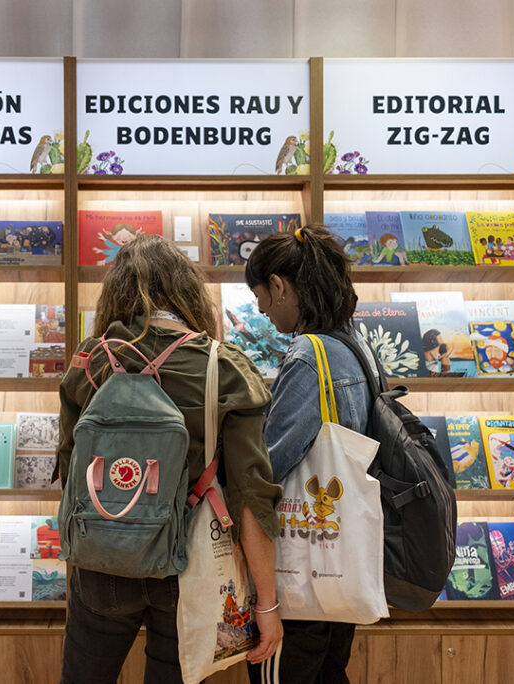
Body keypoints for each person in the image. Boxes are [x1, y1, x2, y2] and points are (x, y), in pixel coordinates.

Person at [58, 234, 283, 683]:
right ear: (187, 290)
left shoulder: (91, 361)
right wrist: (267, 604)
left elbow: (70, 471)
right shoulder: (224, 366)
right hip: (189, 565)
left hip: (100, 561)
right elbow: (251, 496)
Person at [244, 225, 377, 684]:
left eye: (260, 296)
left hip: (297, 572)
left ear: (278, 286)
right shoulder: (354, 345)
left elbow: (268, 469)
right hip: (340, 561)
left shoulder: (308, 354)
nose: (261, 310)